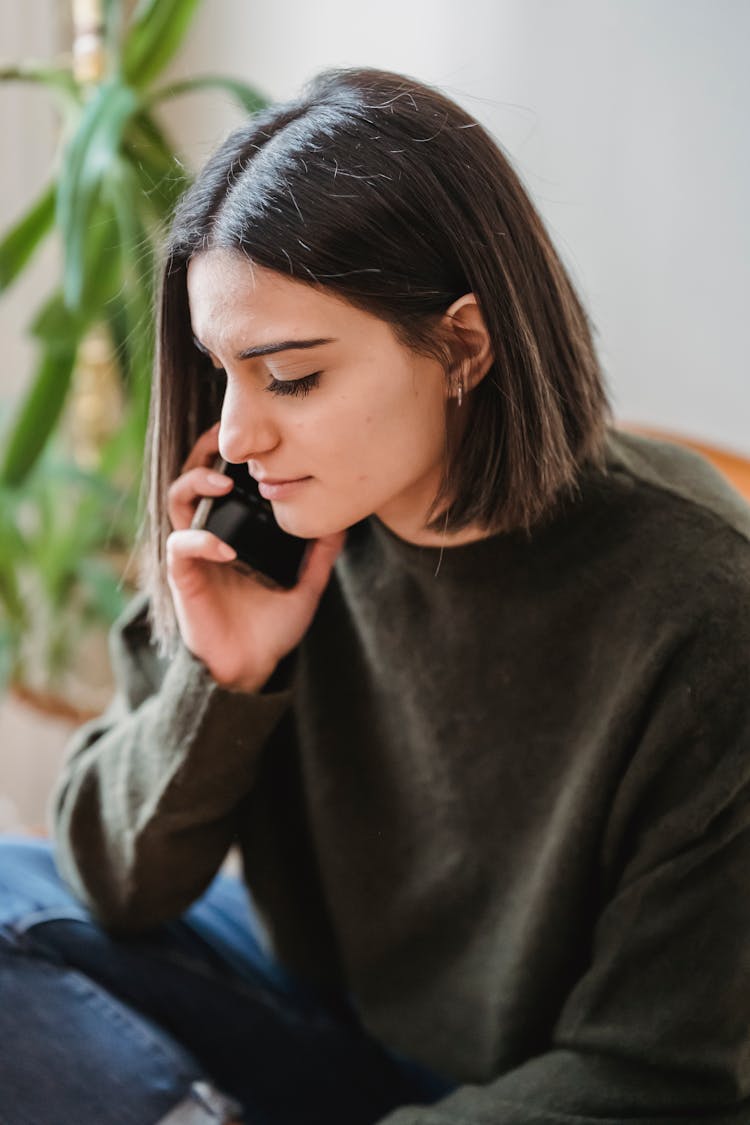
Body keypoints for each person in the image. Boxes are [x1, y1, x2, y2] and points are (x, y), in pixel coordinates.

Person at [1, 65, 749, 1125]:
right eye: (224, 371)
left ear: (463, 346)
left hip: (541, 1089)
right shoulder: (276, 523)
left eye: (292, 376)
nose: (244, 435)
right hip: (324, 1010)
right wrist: (224, 677)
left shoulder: (705, 606)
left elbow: (661, 1079)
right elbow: (116, 886)